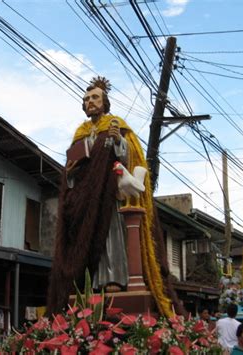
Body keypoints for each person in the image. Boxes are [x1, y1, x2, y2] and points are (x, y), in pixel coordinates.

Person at [46, 76, 185, 318]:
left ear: (105, 102)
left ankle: (113, 280)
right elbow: (72, 168)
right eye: (87, 99)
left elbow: (132, 157)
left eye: (95, 97)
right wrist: (69, 172)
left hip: (110, 195)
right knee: (84, 239)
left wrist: (118, 140)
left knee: (110, 238)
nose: (90, 102)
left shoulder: (116, 125)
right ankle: (89, 282)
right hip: (85, 199)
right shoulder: (80, 133)